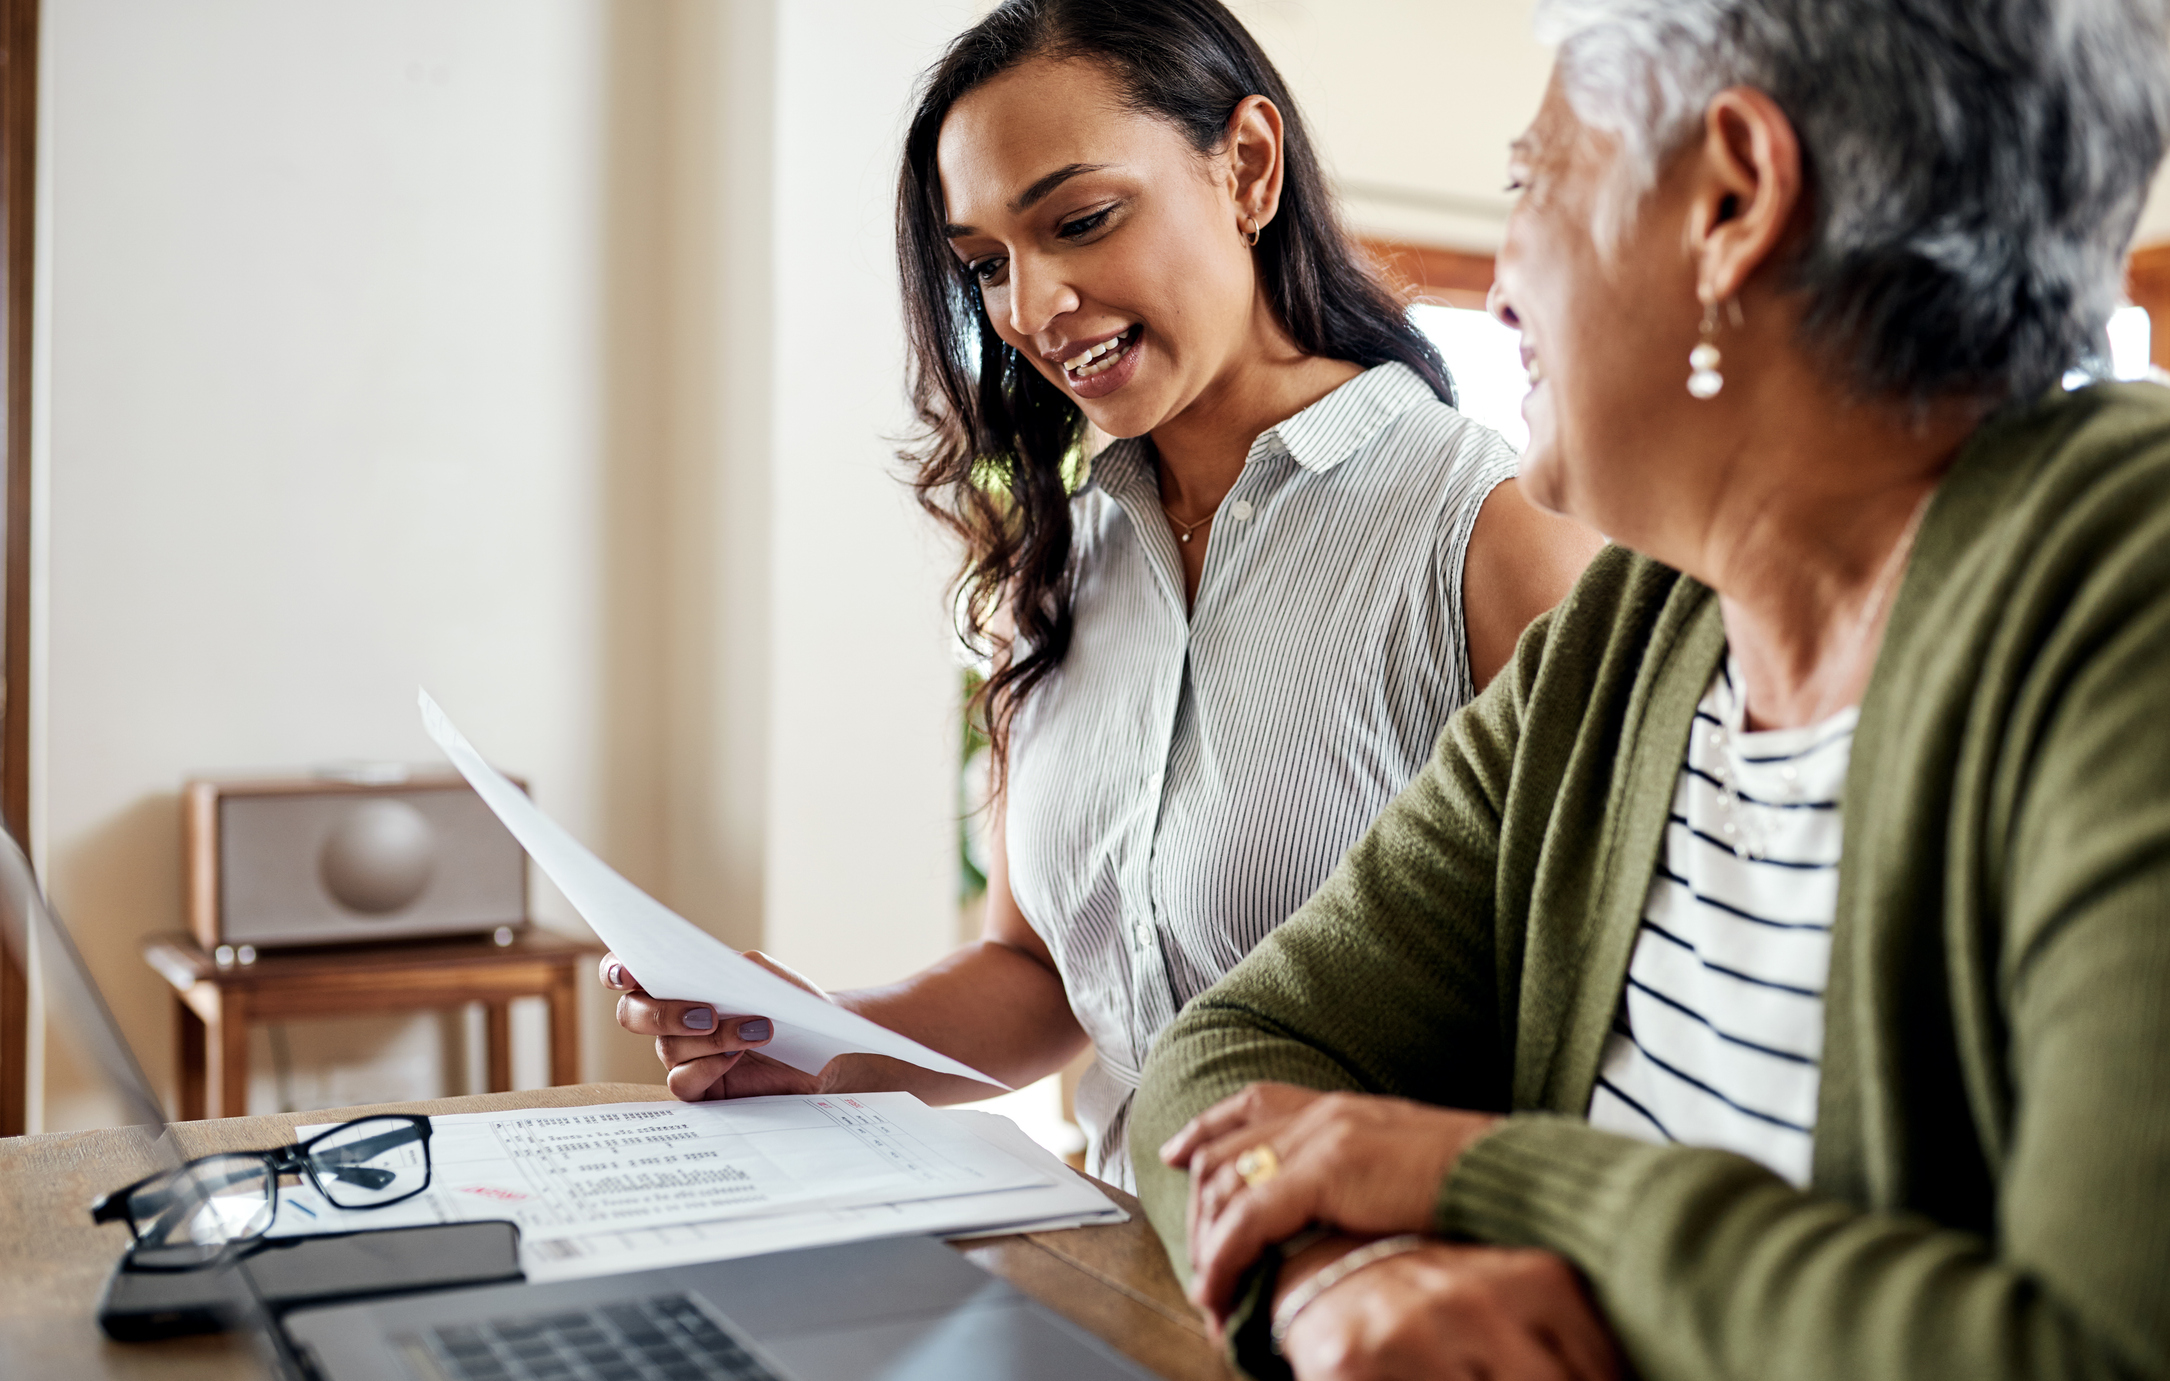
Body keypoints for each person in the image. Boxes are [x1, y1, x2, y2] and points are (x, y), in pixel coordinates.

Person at [1132, 0, 2170, 1377]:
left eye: (1533, 183)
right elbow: (1226, 1057)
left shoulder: (2124, 588)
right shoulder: (1638, 627)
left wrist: (1488, 1180)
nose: (1500, 285)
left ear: (1731, 197)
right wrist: (1339, 1265)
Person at [596, 0, 1602, 1190]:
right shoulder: (1061, 568)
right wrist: (812, 1034)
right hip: (1123, 1271)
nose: (1026, 309)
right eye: (984, 265)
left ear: (1248, 167)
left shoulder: (1489, 532)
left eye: (1080, 220)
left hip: (1384, 1308)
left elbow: (1596, 1031)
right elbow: (1037, 978)